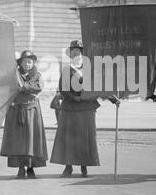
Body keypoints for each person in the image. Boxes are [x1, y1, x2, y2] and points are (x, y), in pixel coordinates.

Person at [50, 40, 119, 178]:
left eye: (79, 51)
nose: (77, 53)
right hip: (70, 107)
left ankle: (84, 166)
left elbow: (99, 88)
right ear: (71, 54)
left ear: (83, 53)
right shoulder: (66, 69)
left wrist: (112, 99)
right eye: (74, 51)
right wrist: (73, 98)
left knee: (85, 138)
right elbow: (63, 90)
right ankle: (68, 167)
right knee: (68, 138)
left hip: (87, 108)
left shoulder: (91, 69)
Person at [0, 50, 48, 179]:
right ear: (20, 63)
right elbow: (7, 87)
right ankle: (21, 168)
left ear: (33, 63)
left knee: (32, 141)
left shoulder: (37, 75)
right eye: (25, 61)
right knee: (19, 142)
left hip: (32, 111)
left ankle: (31, 168)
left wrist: (24, 87)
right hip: (17, 111)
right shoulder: (14, 75)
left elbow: (38, 87)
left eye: (30, 61)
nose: (28, 63)